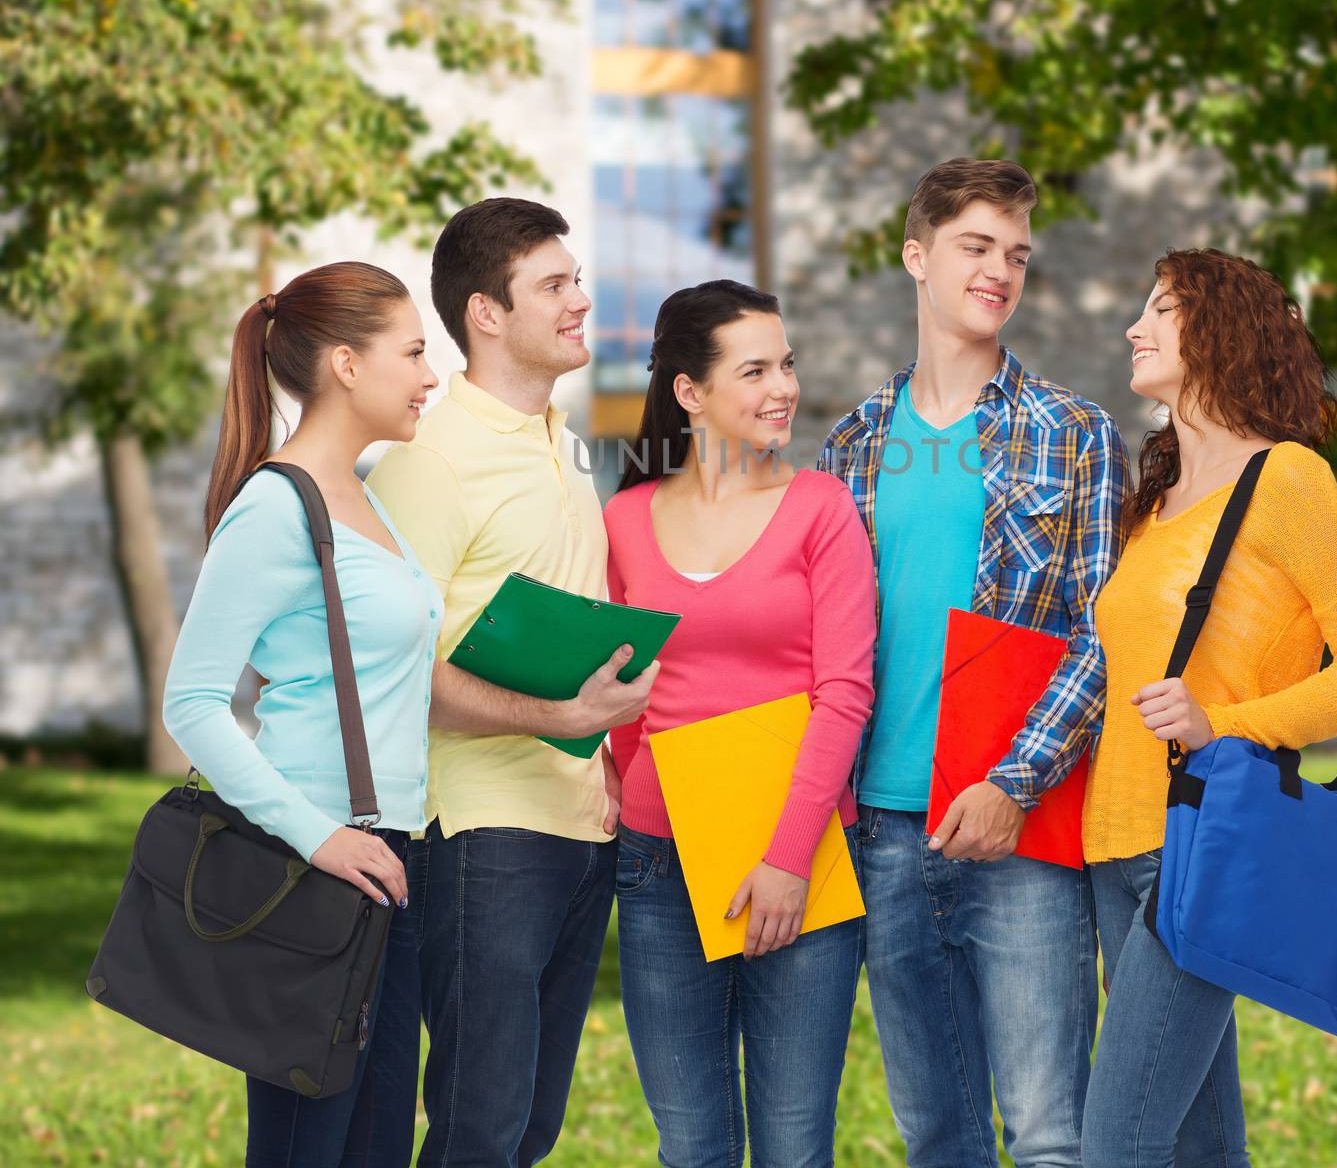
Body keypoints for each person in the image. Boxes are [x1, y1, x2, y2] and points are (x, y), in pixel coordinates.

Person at [818, 159, 1129, 1168]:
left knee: (1048, 1136)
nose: (1000, 269)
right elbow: (824, 638)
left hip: (1023, 829)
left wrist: (1013, 779)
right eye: (976, 246)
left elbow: (1103, 630)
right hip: (885, 830)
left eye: (1017, 254)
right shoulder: (855, 441)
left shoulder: (1074, 432)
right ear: (917, 256)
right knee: (936, 1136)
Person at [1079, 249, 1337, 1168]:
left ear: (1221, 330)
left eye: (1162, 311)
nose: (1135, 328)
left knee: (1118, 1147)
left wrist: (1225, 725)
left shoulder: (1289, 481)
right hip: (1114, 850)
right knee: (1201, 1148)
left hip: (1204, 845)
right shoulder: (1154, 503)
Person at [365, 198, 658, 1167]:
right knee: (480, 1124)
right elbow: (394, 665)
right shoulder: (429, 459)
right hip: (483, 830)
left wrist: (598, 747)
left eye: (575, 279)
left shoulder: (559, 441)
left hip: (578, 820)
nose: (581, 300)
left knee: (527, 1125)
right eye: (555, 285)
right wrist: (560, 713)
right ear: (487, 312)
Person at [163, 262, 442, 1167]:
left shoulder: (361, 499)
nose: (428, 375)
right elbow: (193, 703)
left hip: (390, 860)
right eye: (412, 352)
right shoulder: (276, 507)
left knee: (372, 1149)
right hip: (315, 868)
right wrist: (319, 837)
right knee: (304, 1149)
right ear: (348, 365)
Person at [604, 280, 877, 1168]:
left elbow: (844, 693)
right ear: (690, 391)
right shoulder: (624, 521)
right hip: (659, 859)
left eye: (787, 364)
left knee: (795, 1145)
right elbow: (615, 692)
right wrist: (609, 775)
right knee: (691, 1143)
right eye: (754, 369)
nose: (783, 387)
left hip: (800, 854)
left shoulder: (822, 509)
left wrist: (787, 857)